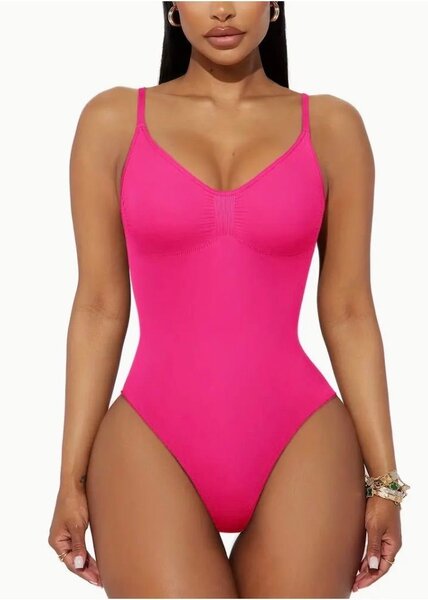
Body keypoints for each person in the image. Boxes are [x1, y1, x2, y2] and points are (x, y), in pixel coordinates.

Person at [48, 1, 410, 597]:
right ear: (171, 7)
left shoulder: (333, 127)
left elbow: (348, 310)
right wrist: (70, 478)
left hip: (302, 440)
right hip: (149, 440)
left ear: (276, 4)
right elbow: (99, 307)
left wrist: (386, 483)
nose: (222, 9)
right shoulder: (112, 122)